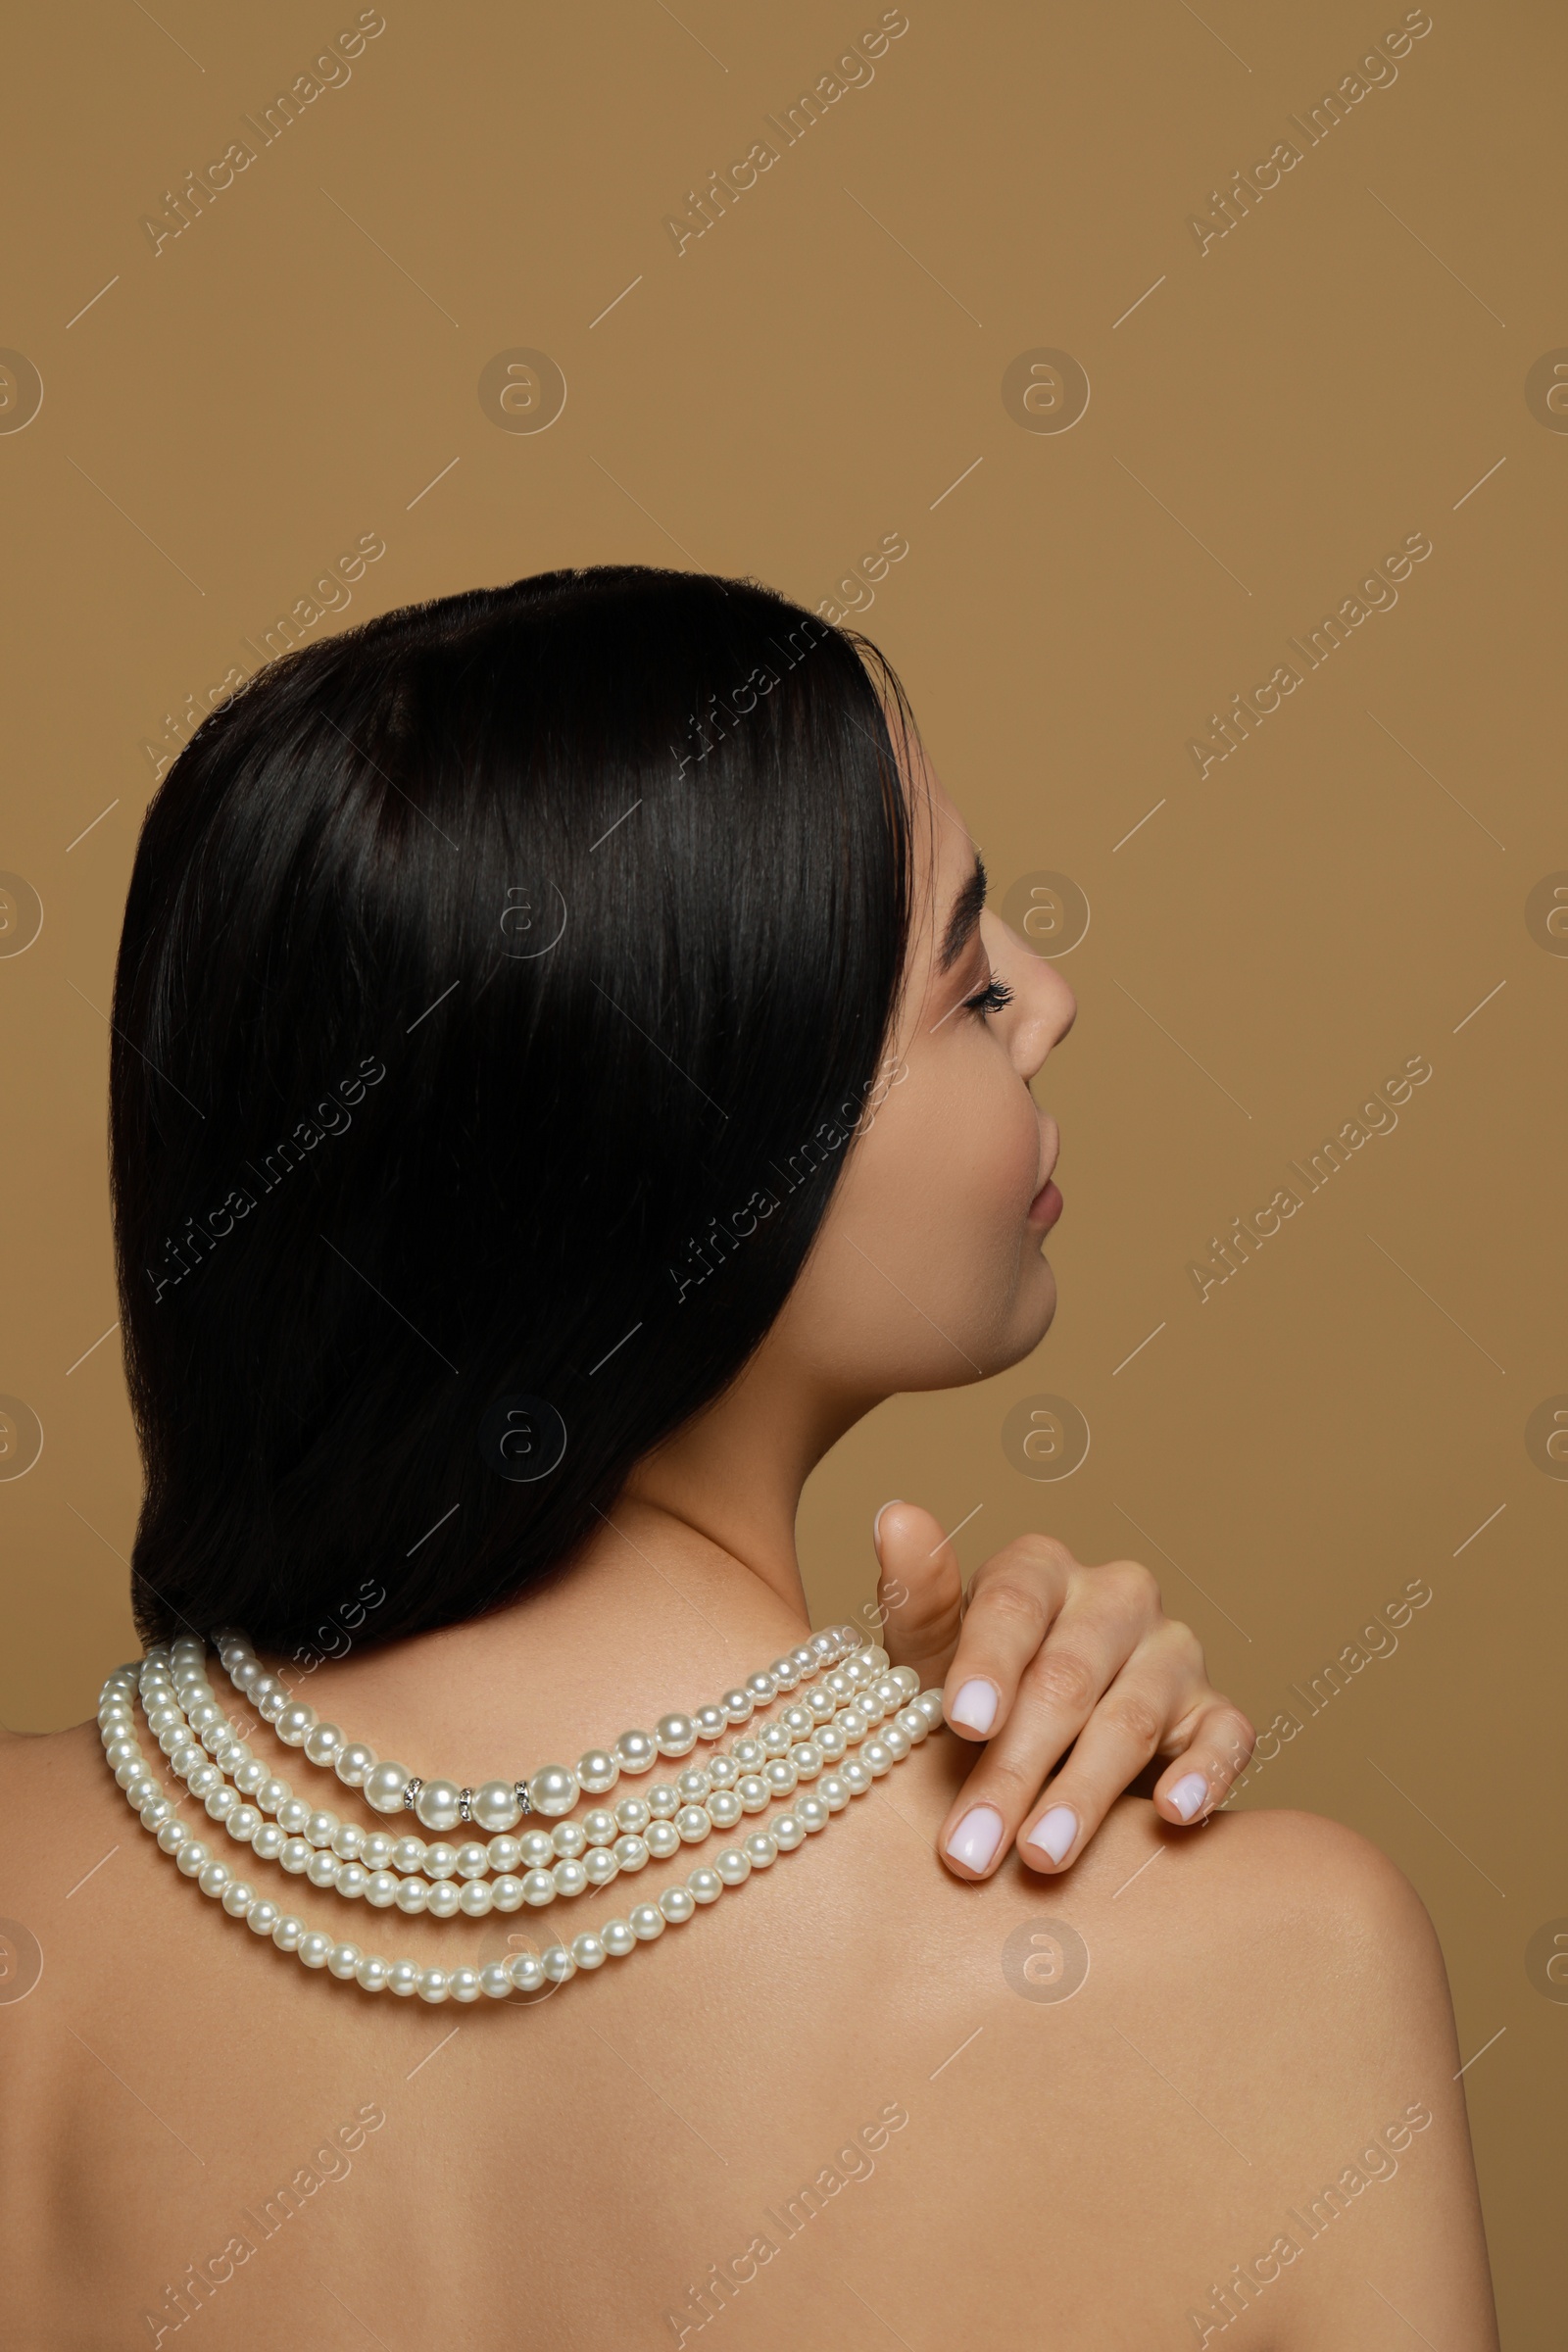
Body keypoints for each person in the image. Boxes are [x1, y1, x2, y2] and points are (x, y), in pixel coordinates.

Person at [0, 568, 1496, 2347]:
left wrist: (883, 1741)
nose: (1053, 996)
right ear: (690, 1152)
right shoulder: (1269, 1970)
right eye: (965, 980)